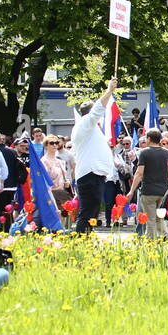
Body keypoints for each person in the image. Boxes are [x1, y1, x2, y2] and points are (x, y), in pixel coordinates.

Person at [71, 80, 118, 232]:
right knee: (87, 212)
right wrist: (109, 91)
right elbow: (97, 109)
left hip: (95, 174)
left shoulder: (90, 129)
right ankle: (81, 239)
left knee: (92, 211)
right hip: (89, 174)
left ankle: (86, 236)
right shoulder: (85, 123)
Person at [127, 129, 168, 239]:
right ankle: (165, 236)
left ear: (149, 139)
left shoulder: (144, 152)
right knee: (158, 217)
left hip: (148, 190)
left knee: (150, 218)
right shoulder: (167, 153)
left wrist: (132, 191)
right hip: (164, 190)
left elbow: (139, 173)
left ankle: (151, 240)